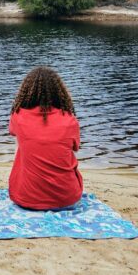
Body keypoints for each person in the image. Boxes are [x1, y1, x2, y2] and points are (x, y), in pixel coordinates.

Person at [8, 66, 83, 210]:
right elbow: (75, 147)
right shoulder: (69, 120)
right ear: (59, 93)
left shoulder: (18, 117)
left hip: (26, 199)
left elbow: (12, 131)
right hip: (67, 199)